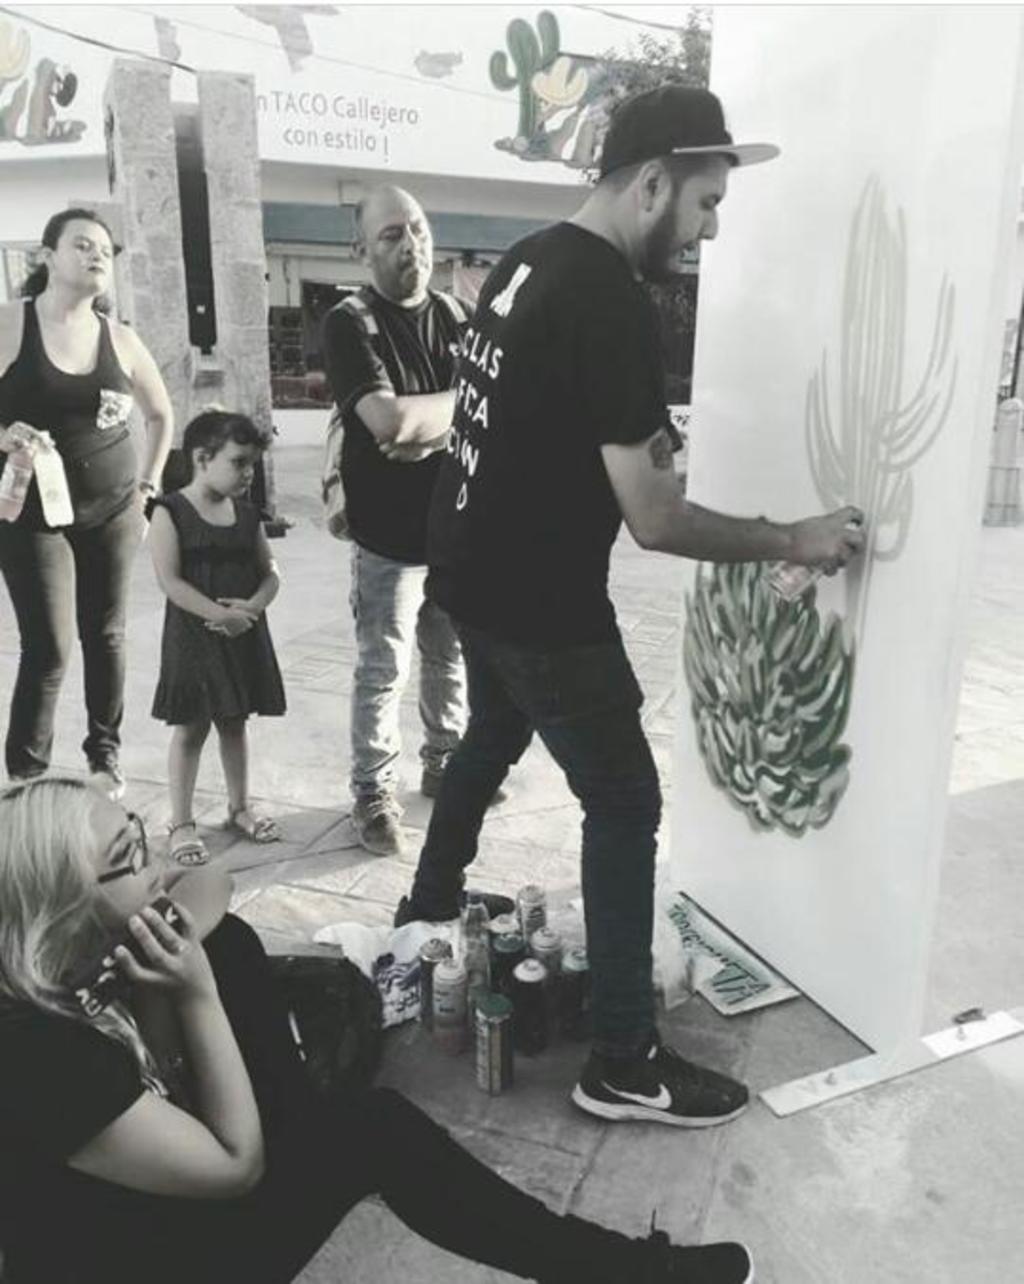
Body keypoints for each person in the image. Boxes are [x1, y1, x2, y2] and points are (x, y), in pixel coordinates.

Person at [396, 85, 867, 1127]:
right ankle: (622, 1060)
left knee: (491, 733)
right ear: (652, 181)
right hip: (539, 603)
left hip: (469, 576)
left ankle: (422, 912)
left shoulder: (526, 260)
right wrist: (794, 538)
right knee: (623, 802)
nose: (708, 232)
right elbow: (655, 517)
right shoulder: (606, 298)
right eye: (704, 204)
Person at [0, 775, 757, 1284]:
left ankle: (312, 1130)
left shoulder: (86, 954)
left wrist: (185, 936)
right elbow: (235, 1168)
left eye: (141, 834)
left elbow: (209, 881)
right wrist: (194, 995)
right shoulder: (34, 1052)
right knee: (372, 1129)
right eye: (128, 858)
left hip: (174, 1168)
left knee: (227, 942)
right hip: (134, 1258)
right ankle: (618, 1275)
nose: (156, 862)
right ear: (59, 907)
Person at [0, 207, 174, 799]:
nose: (98, 255)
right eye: (82, 244)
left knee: (106, 635)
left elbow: (161, 415)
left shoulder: (121, 339)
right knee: (48, 646)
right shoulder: (11, 324)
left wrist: (147, 490)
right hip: (31, 515)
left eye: (105, 249)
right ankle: (26, 777)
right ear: (47, 256)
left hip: (113, 511)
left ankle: (105, 756)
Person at [321, 185, 473, 858]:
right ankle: (373, 791)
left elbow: (493, 411)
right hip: (388, 536)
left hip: (457, 530)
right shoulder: (349, 323)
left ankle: (445, 764)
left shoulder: (459, 316)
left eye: (417, 227)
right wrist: (455, 408)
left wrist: (425, 423)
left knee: (451, 656)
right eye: (390, 234)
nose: (410, 243)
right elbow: (388, 423)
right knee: (384, 666)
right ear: (362, 250)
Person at [148, 410, 285, 866]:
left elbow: (270, 573)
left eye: (253, 465)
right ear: (202, 458)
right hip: (194, 635)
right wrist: (219, 614)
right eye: (239, 462)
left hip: (241, 632)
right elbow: (170, 582)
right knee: (191, 726)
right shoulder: (170, 511)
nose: (249, 474)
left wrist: (251, 608)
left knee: (234, 720)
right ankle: (181, 822)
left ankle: (239, 806)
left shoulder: (247, 515)